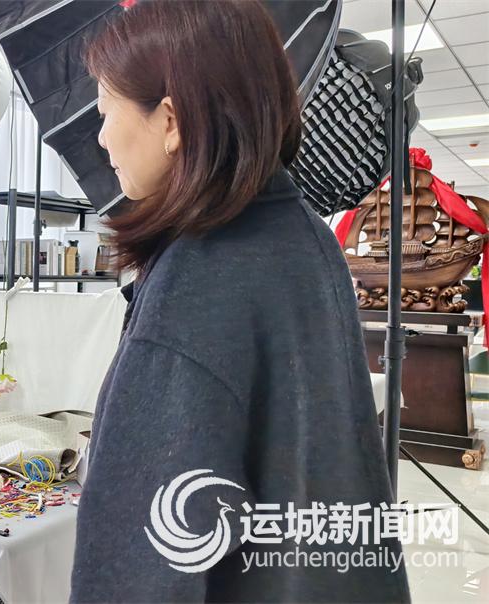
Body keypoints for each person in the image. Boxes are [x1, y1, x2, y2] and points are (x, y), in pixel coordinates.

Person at [71, 1, 410, 602]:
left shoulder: (195, 283)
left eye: (104, 112)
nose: (100, 139)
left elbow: (145, 558)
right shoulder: (305, 238)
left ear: (171, 121)